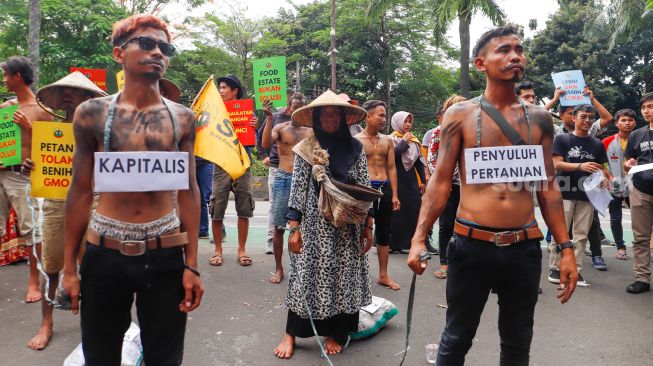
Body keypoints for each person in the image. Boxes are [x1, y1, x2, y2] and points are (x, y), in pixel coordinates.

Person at [407, 26, 578, 365]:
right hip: (471, 246)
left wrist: (567, 247)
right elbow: (441, 182)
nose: (515, 55)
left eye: (518, 49)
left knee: (517, 343)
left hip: (524, 247)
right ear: (481, 63)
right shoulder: (460, 116)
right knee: (456, 337)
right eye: (504, 50)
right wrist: (418, 238)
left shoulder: (542, 120)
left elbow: (547, 188)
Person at [61, 15, 203, 365]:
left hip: (165, 251)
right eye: (146, 43)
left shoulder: (183, 118)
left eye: (165, 47)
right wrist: (68, 268)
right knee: (101, 356)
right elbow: (79, 191)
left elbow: (188, 191)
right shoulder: (91, 114)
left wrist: (193, 265)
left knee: (165, 358)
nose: (157, 52)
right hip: (104, 253)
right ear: (118, 54)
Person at [273, 90, 372, 359]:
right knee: (305, 278)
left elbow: (365, 188)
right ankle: (290, 333)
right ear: (316, 118)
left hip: (348, 226)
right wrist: (294, 228)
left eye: (334, 114)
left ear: (342, 117)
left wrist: (368, 226)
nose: (329, 118)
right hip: (315, 228)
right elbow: (298, 190)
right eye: (324, 114)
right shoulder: (307, 148)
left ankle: (335, 332)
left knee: (342, 279)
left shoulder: (356, 149)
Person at [22, 72, 107, 350]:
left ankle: (94, 326)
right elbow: (39, 163)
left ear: (89, 98)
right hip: (56, 201)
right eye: (65, 91)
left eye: (75, 91)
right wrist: (30, 168)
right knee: (51, 266)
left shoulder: (100, 131)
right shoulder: (51, 130)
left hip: (93, 201)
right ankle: (46, 323)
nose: (68, 95)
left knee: (93, 266)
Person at [0, 56, 53, 303]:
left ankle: (34, 281)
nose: (4, 80)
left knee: (33, 232)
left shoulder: (43, 111)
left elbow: (53, 150)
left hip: (24, 177)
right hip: (1, 172)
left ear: (18, 76)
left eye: (6, 75)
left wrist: (30, 127)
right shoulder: (5, 108)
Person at [549, 104, 610, 287]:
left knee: (581, 235)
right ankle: (555, 268)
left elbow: (602, 169)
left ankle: (576, 271)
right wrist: (579, 166)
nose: (588, 121)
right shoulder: (562, 139)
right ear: (573, 118)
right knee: (560, 232)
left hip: (588, 196)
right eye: (583, 117)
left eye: (591, 117)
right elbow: (556, 164)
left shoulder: (597, 144)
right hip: (565, 192)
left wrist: (604, 179)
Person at [260, 94, 312, 283]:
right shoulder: (280, 128)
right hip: (283, 177)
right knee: (279, 227)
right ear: (289, 108)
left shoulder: (311, 131)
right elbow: (266, 144)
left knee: (303, 226)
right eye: (294, 106)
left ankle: (300, 269)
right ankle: (279, 269)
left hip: (305, 179)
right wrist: (267, 117)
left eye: (301, 106)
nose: (296, 110)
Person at [209, 74, 257, 266]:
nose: (220, 91)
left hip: (243, 162)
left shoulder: (248, 113)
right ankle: (217, 250)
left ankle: (241, 250)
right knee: (217, 208)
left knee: (243, 208)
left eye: (223, 88)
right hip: (221, 163)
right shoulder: (214, 110)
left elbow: (254, 138)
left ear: (235, 90)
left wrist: (255, 126)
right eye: (219, 88)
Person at [354, 100, 401, 290]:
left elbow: (391, 168)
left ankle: (383, 275)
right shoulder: (356, 140)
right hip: (364, 190)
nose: (384, 118)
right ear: (368, 116)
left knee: (384, 233)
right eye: (380, 115)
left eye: (385, 114)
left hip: (385, 188)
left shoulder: (388, 140)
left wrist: (395, 194)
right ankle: (357, 275)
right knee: (360, 231)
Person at [426, 95, 467, 280]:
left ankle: (465, 263)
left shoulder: (474, 131)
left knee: (467, 224)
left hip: (467, 187)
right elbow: (432, 159)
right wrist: (444, 179)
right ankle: (445, 263)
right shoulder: (438, 132)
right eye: (455, 107)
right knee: (446, 225)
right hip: (447, 185)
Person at [623, 92, 653, 294]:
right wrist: (629, 164)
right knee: (640, 237)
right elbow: (627, 163)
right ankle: (642, 278)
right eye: (644, 108)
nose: (646, 110)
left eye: (650, 106)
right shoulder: (636, 134)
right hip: (641, 191)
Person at [389, 111, 426, 253]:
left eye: (410, 121)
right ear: (397, 122)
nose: (408, 124)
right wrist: (403, 141)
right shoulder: (391, 139)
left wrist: (423, 181)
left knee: (414, 207)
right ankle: (392, 244)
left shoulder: (414, 140)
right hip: (395, 177)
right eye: (405, 121)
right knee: (395, 211)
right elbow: (394, 156)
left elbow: (417, 161)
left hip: (410, 179)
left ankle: (408, 243)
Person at [602, 109, 636, 261]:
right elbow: (599, 164)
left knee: (642, 218)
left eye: (630, 120)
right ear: (616, 123)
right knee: (615, 218)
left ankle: (647, 247)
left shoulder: (640, 140)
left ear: (635, 122)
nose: (627, 123)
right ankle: (621, 247)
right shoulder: (607, 142)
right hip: (614, 186)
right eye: (623, 120)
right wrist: (608, 177)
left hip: (637, 186)